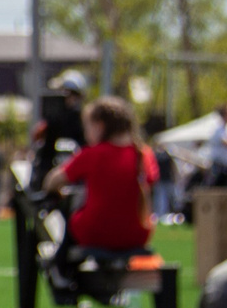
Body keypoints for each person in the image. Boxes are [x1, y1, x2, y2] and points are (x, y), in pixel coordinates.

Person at [43, 95, 157, 257]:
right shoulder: (144, 155)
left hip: (94, 233)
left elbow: (52, 181)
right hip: (137, 234)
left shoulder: (93, 154)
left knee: (71, 209)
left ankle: (62, 269)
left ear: (99, 126)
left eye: (87, 128)